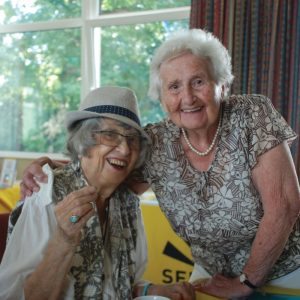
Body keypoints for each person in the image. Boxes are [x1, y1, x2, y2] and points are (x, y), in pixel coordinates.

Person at [20, 29, 300, 299]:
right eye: (174, 87)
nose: (187, 98)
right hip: (213, 276)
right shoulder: (156, 142)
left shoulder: (252, 115)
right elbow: (106, 173)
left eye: (199, 81)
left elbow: (285, 205)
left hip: (287, 270)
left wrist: (247, 281)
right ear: (163, 98)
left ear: (222, 85)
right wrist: (50, 169)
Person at [0, 86, 195, 300]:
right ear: (84, 139)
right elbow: (17, 296)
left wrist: (152, 290)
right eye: (110, 134)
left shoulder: (127, 203)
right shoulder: (46, 192)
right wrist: (63, 240)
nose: (125, 149)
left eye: (132, 139)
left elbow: (119, 286)